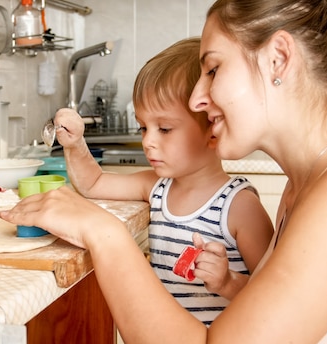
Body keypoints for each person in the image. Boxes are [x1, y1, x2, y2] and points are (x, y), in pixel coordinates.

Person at [0, 0, 327, 344]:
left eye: (213, 69)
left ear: (278, 59)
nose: (198, 98)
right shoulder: (311, 185)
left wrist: (103, 232)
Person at [52, 37, 274, 325]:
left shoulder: (240, 206)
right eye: (144, 127)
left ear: (213, 128)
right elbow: (93, 184)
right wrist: (75, 143)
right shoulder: (156, 188)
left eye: (165, 128)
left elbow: (272, 301)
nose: (148, 141)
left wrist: (227, 282)